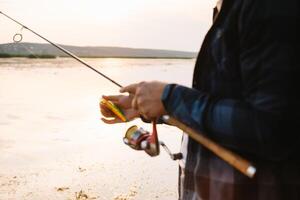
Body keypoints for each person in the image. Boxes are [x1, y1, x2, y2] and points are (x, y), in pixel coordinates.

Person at [100, 0, 300, 199]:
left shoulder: (265, 6)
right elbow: (224, 106)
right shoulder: (227, 8)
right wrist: (153, 107)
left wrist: (171, 98)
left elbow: (272, 128)